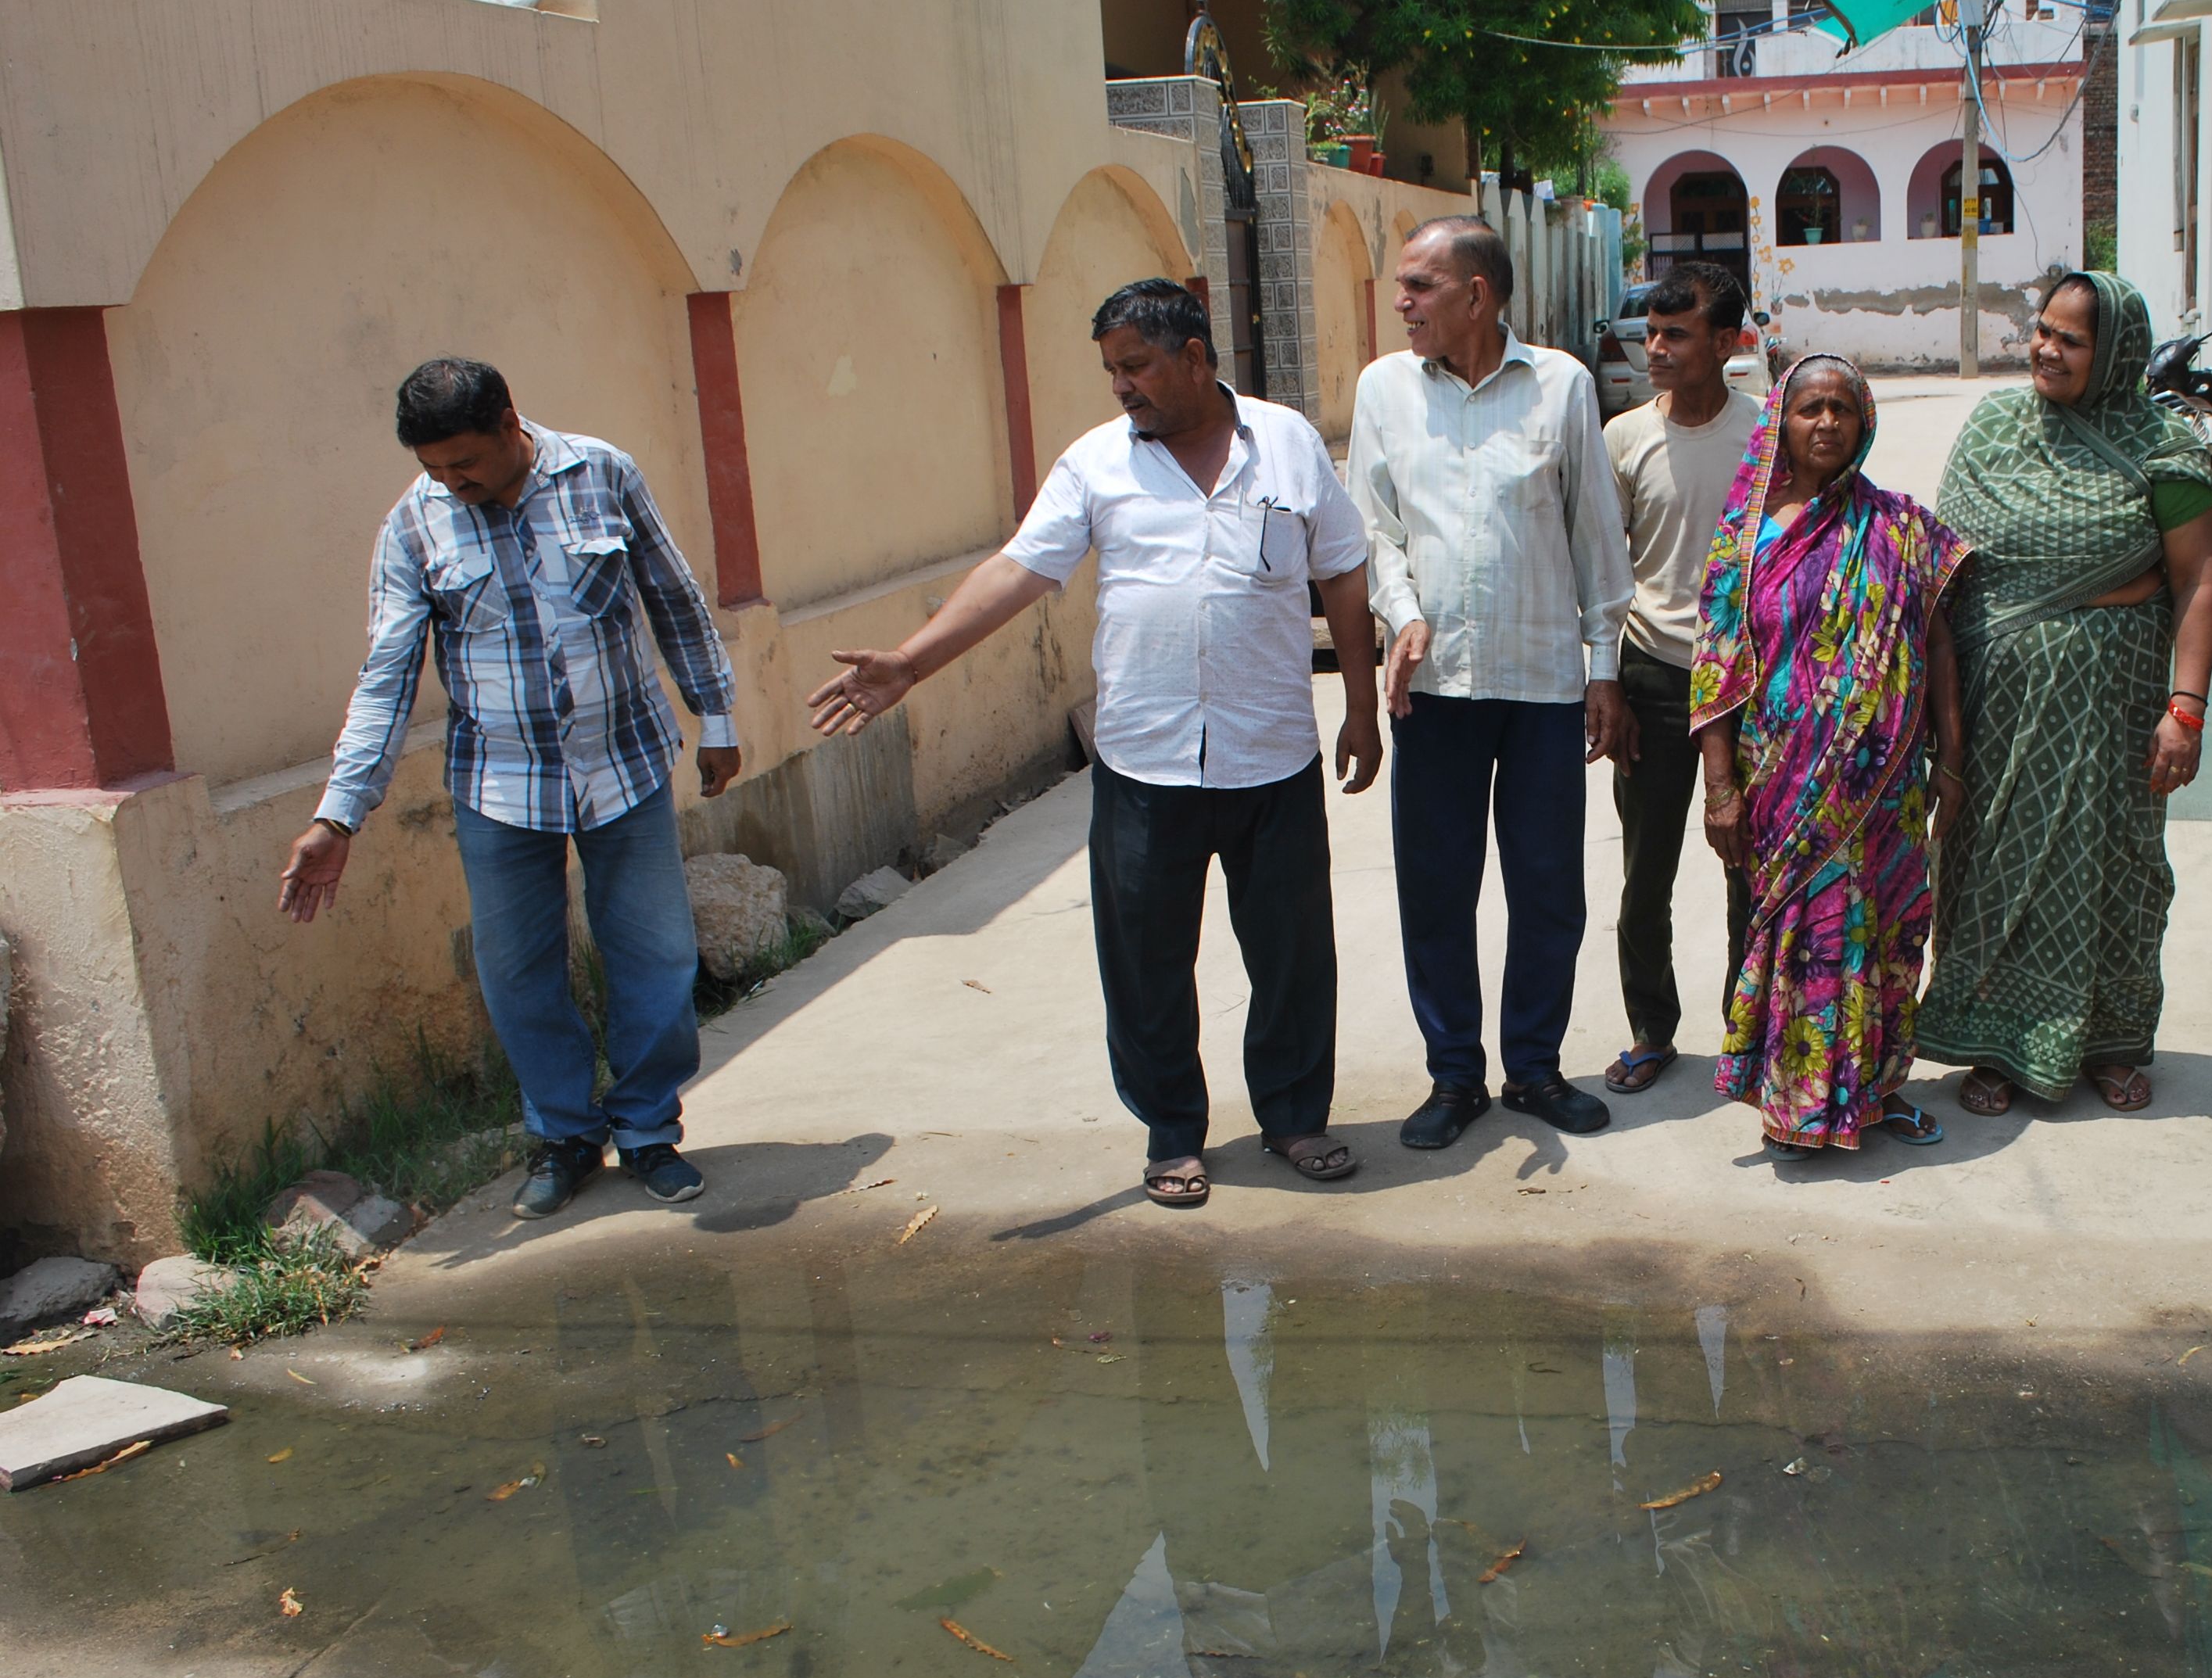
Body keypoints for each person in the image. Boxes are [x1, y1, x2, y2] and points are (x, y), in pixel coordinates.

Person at [806, 280, 1383, 1209]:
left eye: (1135, 366)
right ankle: (1171, 1131)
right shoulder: (1094, 464)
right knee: (1146, 958)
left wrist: (1359, 706)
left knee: (1290, 952)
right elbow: (1017, 571)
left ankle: (1293, 1117)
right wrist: (912, 662)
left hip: (1272, 752)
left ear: (1192, 356)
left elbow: (1343, 573)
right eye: (1111, 370)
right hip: (1143, 764)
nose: (1120, 387)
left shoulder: (1286, 442)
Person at [277, 358, 741, 1217]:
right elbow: (385, 675)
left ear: (508, 423)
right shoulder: (415, 526)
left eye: (465, 464)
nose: (453, 483)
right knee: (519, 973)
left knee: (658, 956)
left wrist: (715, 715)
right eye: (434, 471)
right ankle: (564, 1135)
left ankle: (646, 1131)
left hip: (625, 762)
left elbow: (673, 596)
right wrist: (339, 813)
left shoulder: (603, 471)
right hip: (500, 785)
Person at [1350, 217, 1635, 1149]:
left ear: (1478, 294)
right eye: (1402, 286)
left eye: (1419, 286)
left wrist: (1603, 670)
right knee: (1436, 890)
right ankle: (1454, 1076)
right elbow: (1374, 528)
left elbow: (1595, 539)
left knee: (1547, 886)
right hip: (1433, 689)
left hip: (1543, 683)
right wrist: (1402, 610)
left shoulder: (1560, 385)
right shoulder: (1384, 389)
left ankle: (1536, 1069)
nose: (1403, 303)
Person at [1918, 271, 2212, 1116]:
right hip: (1997, 704)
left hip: (2116, 704)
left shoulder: (2160, 443)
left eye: (2071, 338)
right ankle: (1992, 1038)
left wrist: (2185, 708)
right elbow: (1946, 569)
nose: (2046, 349)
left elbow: (2197, 578)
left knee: (2114, 865)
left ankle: (2110, 1041)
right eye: (2041, 330)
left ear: (2116, 351)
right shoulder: (1994, 428)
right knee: (1992, 862)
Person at [1692, 355, 1969, 1152]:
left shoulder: (1900, 525)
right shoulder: (1744, 535)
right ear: (1780, 420)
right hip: (1782, 782)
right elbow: (1714, 669)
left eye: (1840, 410)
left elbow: (1939, 644)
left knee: (1884, 935)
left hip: (1885, 786)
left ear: (1863, 421)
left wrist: (1951, 760)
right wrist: (1719, 788)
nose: (1824, 424)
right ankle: (1800, 1105)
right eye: (1808, 409)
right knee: (1805, 939)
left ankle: (1875, 1092)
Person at [1602, 260, 1767, 1095]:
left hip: (1755, 690)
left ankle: (1749, 1031)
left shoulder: (1766, 436)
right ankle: (1648, 1029)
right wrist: (1606, 686)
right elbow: (1600, 571)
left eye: (1675, 335)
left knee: (1751, 868)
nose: (1655, 349)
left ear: (1729, 343)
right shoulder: (1623, 439)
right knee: (1645, 876)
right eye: (1650, 334)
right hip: (1654, 679)